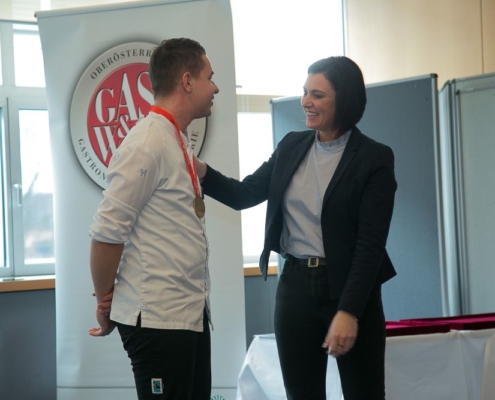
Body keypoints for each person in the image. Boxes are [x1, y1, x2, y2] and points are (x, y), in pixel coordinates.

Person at [195, 56, 397, 399]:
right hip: (296, 288)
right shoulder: (291, 145)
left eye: (317, 95)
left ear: (345, 99)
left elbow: (370, 246)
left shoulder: (374, 158)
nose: (306, 101)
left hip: (350, 289)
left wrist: (349, 311)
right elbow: (244, 194)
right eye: (305, 92)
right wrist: (199, 169)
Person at [88, 38, 219, 400]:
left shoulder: (176, 138)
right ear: (187, 81)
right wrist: (105, 301)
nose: (216, 87)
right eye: (210, 77)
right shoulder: (146, 143)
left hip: (188, 313)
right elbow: (106, 234)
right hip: (158, 319)